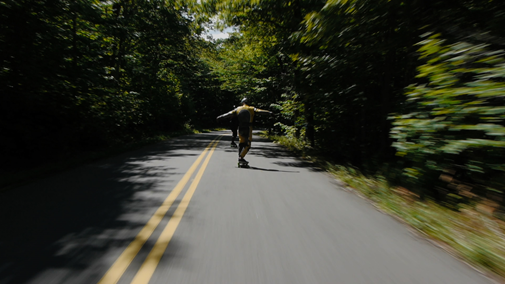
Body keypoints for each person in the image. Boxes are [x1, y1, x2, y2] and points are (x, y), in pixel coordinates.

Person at [217, 98, 272, 165]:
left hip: (240, 127)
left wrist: (220, 117)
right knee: (248, 144)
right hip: (248, 127)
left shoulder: (238, 109)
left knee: (241, 142)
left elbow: (228, 114)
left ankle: (240, 157)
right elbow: (260, 111)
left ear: (242, 103)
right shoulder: (251, 108)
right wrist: (269, 112)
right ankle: (241, 157)